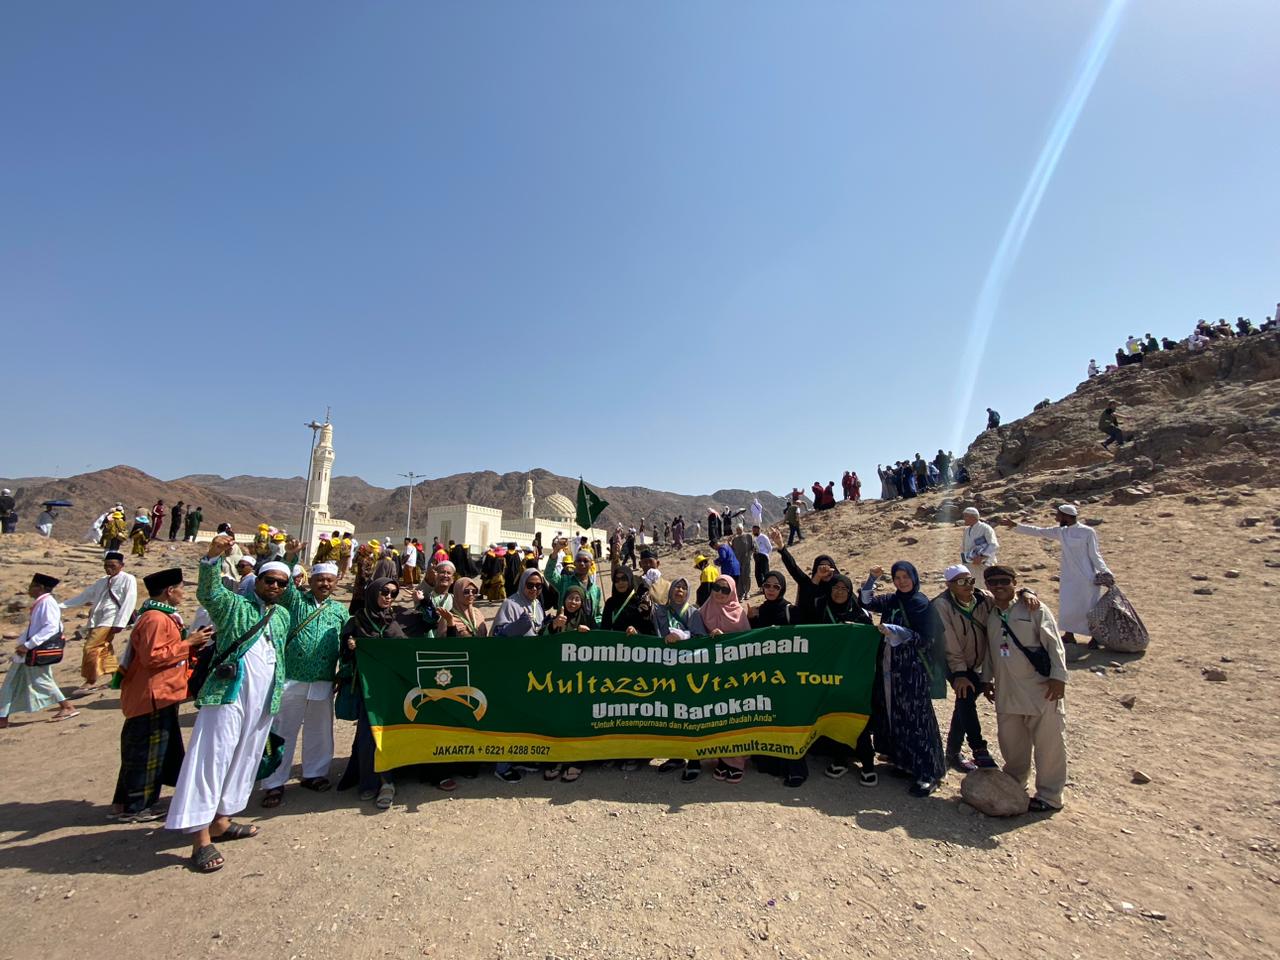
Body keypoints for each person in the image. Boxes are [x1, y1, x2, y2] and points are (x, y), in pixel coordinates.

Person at [165, 536, 292, 874]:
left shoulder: (281, 616)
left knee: (245, 758)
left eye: (282, 583)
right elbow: (209, 593)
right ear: (257, 581)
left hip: (263, 699)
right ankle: (199, 837)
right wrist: (211, 558)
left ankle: (222, 820)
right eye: (269, 580)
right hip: (228, 695)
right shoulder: (234, 606)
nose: (275, 587)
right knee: (212, 758)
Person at [113, 568, 213, 820]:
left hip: (160, 692)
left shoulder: (157, 616)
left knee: (147, 748)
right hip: (153, 694)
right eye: (181, 588)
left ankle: (127, 803)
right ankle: (137, 806)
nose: (183, 593)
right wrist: (188, 643)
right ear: (169, 591)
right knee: (147, 751)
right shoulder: (156, 619)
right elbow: (153, 657)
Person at [258, 552, 350, 808]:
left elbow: (346, 643)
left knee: (319, 730)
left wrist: (343, 672)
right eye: (320, 579)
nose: (325, 584)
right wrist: (290, 556)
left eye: (329, 580)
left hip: (322, 679)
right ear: (311, 580)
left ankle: (314, 774)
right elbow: (284, 583)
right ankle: (273, 782)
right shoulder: (297, 602)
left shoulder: (339, 610)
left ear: (336, 582)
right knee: (282, 731)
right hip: (292, 678)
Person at [338, 577, 438, 809]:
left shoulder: (398, 617)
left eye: (393, 593)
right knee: (369, 735)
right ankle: (373, 782)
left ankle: (389, 781)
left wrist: (423, 602)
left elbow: (430, 621)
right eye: (384, 592)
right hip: (370, 689)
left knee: (395, 732)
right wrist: (351, 648)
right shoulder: (356, 622)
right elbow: (343, 656)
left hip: (395, 687)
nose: (389, 597)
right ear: (373, 592)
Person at [981, 565, 1069, 811]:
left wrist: (1059, 677)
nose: (999, 586)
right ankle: (1015, 786)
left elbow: (1054, 644)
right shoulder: (991, 614)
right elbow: (990, 650)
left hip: (1040, 690)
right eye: (993, 582)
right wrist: (986, 679)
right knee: (1012, 744)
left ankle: (1050, 796)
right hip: (1007, 691)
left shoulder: (1034, 608)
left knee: (1049, 745)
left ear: (1014, 582)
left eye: (1004, 581)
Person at [857, 562, 946, 797]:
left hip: (912, 670)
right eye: (897, 577)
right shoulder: (892, 600)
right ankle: (906, 763)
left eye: (906, 577)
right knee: (896, 716)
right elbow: (865, 602)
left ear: (914, 577)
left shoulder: (922, 604)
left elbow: (928, 639)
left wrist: (899, 632)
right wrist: (871, 579)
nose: (902, 581)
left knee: (918, 720)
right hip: (890, 668)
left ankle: (929, 772)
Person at [999, 504, 1110, 647]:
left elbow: (1095, 554)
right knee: (1068, 606)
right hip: (1069, 577)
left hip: (1087, 577)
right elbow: (1039, 531)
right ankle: (1069, 635)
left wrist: (1105, 571)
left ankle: (1095, 637)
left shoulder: (1087, 532)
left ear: (1066, 516)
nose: (1056, 518)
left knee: (1089, 607)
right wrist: (1015, 525)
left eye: (1058, 515)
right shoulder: (1061, 532)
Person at [932, 565, 1000, 773]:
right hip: (952, 661)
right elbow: (949, 642)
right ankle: (978, 747)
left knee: (963, 704)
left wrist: (1027, 592)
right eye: (961, 582)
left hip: (977, 661)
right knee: (966, 696)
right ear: (949, 585)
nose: (968, 585)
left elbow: (1007, 600)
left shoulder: (984, 599)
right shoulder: (942, 605)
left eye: (970, 580)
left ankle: (953, 753)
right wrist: (960, 673)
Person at [0, 573, 79, 726]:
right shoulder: (41, 602)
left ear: (40, 587)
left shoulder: (47, 603)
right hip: (27, 652)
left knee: (42, 680)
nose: (29, 590)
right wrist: (23, 642)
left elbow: (51, 627)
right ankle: (2, 717)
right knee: (11, 682)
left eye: (32, 586)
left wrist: (28, 645)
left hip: (35, 651)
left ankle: (67, 707)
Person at [62, 550, 138, 694]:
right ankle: (117, 676)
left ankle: (90, 680)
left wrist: (120, 623)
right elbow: (85, 596)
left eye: (112, 565)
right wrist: (62, 605)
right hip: (97, 619)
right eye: (106, 565)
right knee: (104, 648)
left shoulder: (128, 579)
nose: (109, 568)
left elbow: (130, 599)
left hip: (110, 619)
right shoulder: (102, 581)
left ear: (121, 565)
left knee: (90, 648)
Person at [698, 577, 751, 783]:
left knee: (733, 717)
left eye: (725, 589)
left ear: (733, 592)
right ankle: (721, 758)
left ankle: (736, 761)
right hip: (711, 675)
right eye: (716, 587)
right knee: (716, 716)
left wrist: (726, 640)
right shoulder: (704, 610)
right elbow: (695, 637)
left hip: (734, 676)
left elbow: (749, 645)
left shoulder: (739, 614)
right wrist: (709, 637)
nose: (719, 592)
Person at [543, 548, 603, 626]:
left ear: (591, 564)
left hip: (587, 631)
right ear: (574, 563)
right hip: (566, 630)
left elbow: (597, 615)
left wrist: (598, 627)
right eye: (579, 560)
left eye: (585, 561)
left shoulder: (596, 590)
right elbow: (549, 574)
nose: (582, 563)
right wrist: (556, 551)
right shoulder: (564, 581)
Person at [960, 507, 999, 584]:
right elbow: (964, 547)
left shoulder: (986, 528)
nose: (964, 518)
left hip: (984, 564)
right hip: (970, 564)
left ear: (972, 517)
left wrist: (981, 557)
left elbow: (993, 544)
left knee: (985, 585)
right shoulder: (966, 530)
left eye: (965, 516)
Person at [730, 524, 754, 600]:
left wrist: (749, 555)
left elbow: (753, 547)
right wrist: (729, 543)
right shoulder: (735, 540)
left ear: (742, 529)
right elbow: (732, 550)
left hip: (746, 561)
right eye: (737, 529)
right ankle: (741, 594)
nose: (738, 531)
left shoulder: (748, 536)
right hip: (738, 562)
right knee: (739, 577)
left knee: (747, 576)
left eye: (739, 529)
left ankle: (747, 592)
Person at [750, 524, 772, 590]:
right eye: (753, 530)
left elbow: (769, 547)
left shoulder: (764, 537)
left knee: (765, 572)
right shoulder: (754, 538)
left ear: (759, 530)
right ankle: (761, 587)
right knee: (757, 573)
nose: (753, 531)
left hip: (763, 556)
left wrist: (765, 554)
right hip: (756, 556)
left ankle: (768, 586)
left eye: (755, 530)